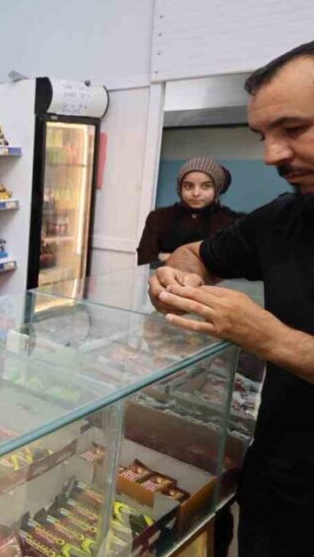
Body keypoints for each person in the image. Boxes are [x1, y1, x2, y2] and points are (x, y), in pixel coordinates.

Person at [147, 40, 314, 555]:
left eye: (293, 129)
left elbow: (270, 339)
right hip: (279, 492)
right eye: (263, 135)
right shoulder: (285, 217)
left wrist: (270, 338)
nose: (272, 155)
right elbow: (196, 254)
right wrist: (179, 279)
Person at [136, 157, 241, 265]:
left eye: (206, 186)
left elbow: (231, 265)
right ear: (180, 188)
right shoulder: (158, 217)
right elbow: (145, 259)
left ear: (217, 189)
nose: (196, 193)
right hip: (161, 281)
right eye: (188, 186)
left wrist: (166, 257)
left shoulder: (231, 222)